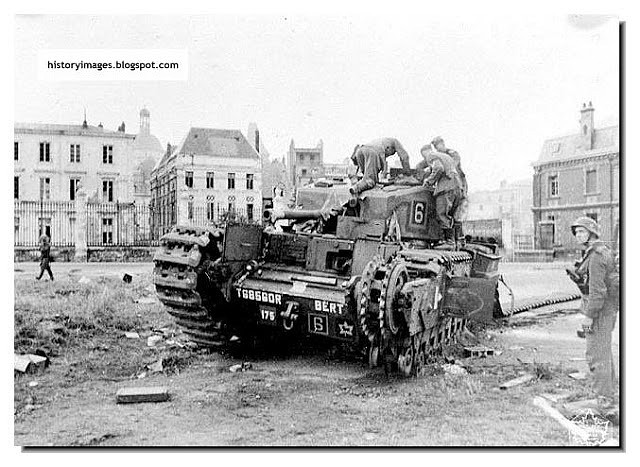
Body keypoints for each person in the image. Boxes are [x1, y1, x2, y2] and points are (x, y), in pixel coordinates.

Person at [569, 216, 619, 404]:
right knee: (603, 353)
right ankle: (610, 394)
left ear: (592, 232)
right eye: (577, 232)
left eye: (582, 231)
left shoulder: (597, 256)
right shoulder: (598, 251)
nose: (578, 235)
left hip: (599, 313)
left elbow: (598, 292)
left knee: (596, 355)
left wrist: (589, 318)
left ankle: (604, 401)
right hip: (606, 312)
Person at [419, 144, 461, 248]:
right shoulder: (445, 156)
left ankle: (448, 242)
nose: (425, 159)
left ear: (426, 152)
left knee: (441, 213)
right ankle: (454, 241)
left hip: (446, 188)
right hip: (457, 187)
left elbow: (438, 168)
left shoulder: (431, 155)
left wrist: (429, 180)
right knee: (450, 215)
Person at [432, 136, 467, 242]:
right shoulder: (440, 156)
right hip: (453, 186)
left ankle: (454, 240)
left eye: (438, 145)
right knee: (450, 215)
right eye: (435, 147)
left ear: (442, 143)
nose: (437, 149)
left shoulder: (452, 154)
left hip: (458, 186)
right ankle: (454, 240)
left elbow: (451, 165)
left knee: (454, 216)